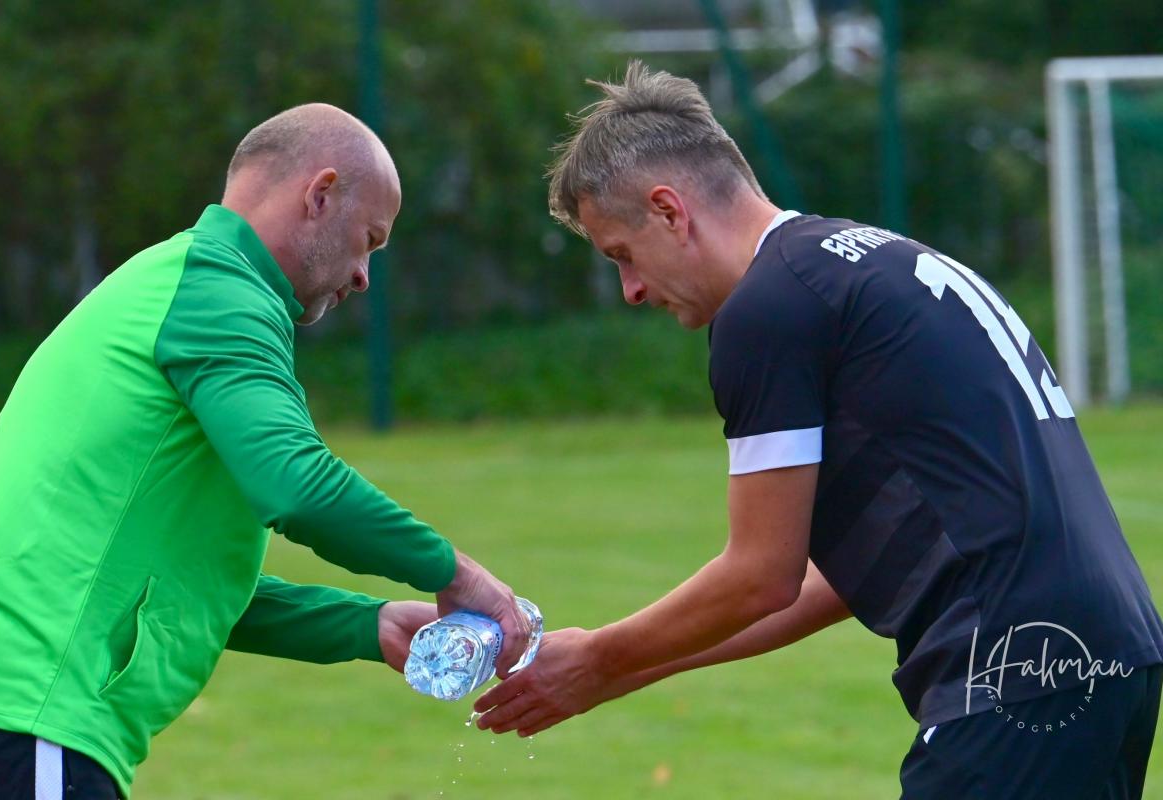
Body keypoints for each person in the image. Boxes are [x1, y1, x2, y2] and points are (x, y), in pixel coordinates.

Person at [474, 62, 1163, 799]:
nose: (632, 290)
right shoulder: (869, 263)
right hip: (1112, 654)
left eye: (622, 255)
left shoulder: (768, 310)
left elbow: (760, 575)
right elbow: (828, 579)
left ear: (669, 211)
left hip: (1010, 670)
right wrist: (616, 671)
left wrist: (601, 655)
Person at [0, 103, 529, 799]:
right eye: (369, 240)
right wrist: (454, 572)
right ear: (320, 196)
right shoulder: (219, 295)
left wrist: (368, 625)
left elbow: (184, 585)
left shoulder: (173, 282)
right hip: (25, 717)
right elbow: (297, 485)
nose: (363, 276)